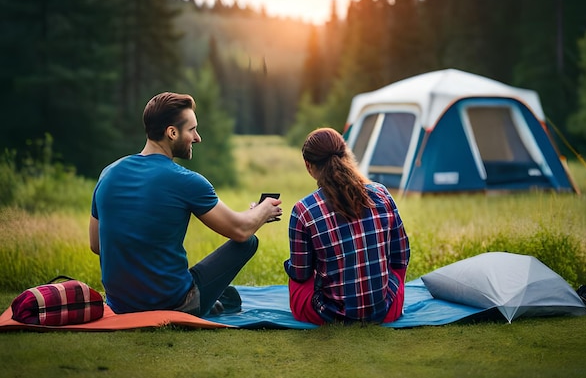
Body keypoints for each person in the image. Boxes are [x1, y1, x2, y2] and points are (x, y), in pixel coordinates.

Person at [89, 92, 283, 317]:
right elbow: (240, 230)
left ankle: (215, 300)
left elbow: (96, 244)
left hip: (120, 305)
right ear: (172, 132)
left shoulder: (108, 174)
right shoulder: (186, 180)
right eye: (192, 130)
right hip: (172, 302)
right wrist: (264, 210)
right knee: (248, 242)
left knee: (226, 290)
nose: (197, 137)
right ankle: (208, 303)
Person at [284, 128, 410, 324]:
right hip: (385, 311)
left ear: (309, 166)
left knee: (297, 279)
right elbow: (401, 257)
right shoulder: (382, 193)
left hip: (330, 316)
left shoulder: (303, 210)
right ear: (346, 155)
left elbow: (301, 274)